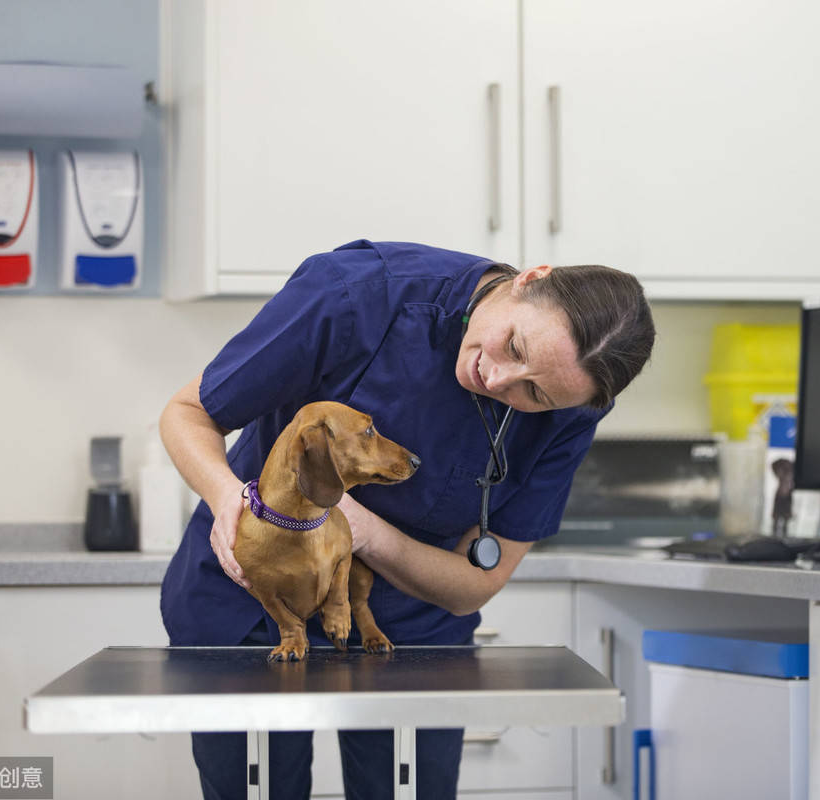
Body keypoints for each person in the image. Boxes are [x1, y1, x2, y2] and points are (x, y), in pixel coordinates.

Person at [158, 239, 655, 800]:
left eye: (533, 392)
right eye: (513, 343)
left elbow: (475, 585)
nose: (497, 378)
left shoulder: (573, 402)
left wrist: (365, 532)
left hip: (404, 630)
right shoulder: (357, 294)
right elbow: (188, 414)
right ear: (529, 277)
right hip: (253, 603)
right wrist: (233, 503)